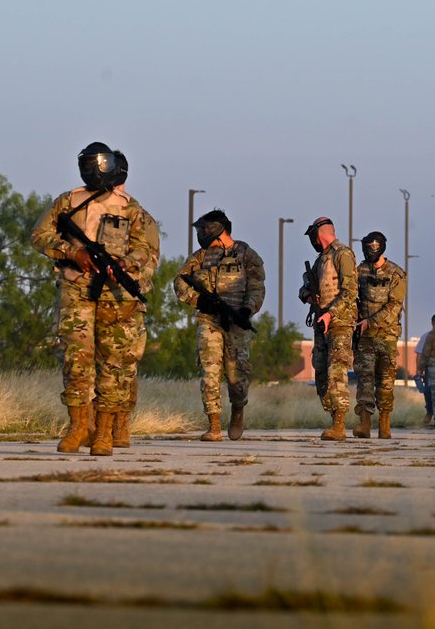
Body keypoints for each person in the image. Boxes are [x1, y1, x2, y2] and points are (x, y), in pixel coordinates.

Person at [30, 143, 160, 456]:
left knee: (113, 364)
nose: (93, 168)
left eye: (99, 162)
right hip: (77, 288)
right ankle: (77, 427)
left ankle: (104, 431)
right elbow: (39, 235)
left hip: (116, 296)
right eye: (88, 163)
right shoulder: (67, 201)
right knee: (76, 359)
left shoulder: (131, 209)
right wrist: (72, 252)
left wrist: (126, 264)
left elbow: (148, 251)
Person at [174, 210, 266, 441]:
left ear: (216, 229)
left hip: (237, 323)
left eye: (203, 229)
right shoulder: (201, 256)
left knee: (237, 375)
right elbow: (180, 282)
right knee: (210, 372)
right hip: (209, 321)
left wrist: (247, 310)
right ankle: (214, 425)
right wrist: (199, 300)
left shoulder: (245, 254)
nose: (200, 234)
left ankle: (237, 411)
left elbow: (257, 287)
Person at [298, 217, 357, 441]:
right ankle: (333, 415)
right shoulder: (320, 260)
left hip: (339, 322)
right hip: (321, 323)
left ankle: (339, 425)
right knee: (321, 372)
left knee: (337, 372)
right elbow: (304, 288)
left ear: (320, 233)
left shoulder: (342, 254)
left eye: (313, 235)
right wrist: (308, 295)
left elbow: (350, 291)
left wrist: (330, 313)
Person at [353, 231, 406, 439]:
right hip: (365, 337)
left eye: (375, 246)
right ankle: (364, 423)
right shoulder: (360, 271)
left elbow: (394, 306)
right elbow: (351, 296)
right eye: (368, 246)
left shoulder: (396, 274)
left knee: (385, 381)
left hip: (387, 336)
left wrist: (370, 322)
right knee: (365, 378)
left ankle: (385, 423)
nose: (372, 250)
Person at [414, 314, 435, 426]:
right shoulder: (425, 337)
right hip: (429, 369)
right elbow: (419, 354)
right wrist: (419, 369)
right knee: (428, 392)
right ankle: (429, 412)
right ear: (434, 323)